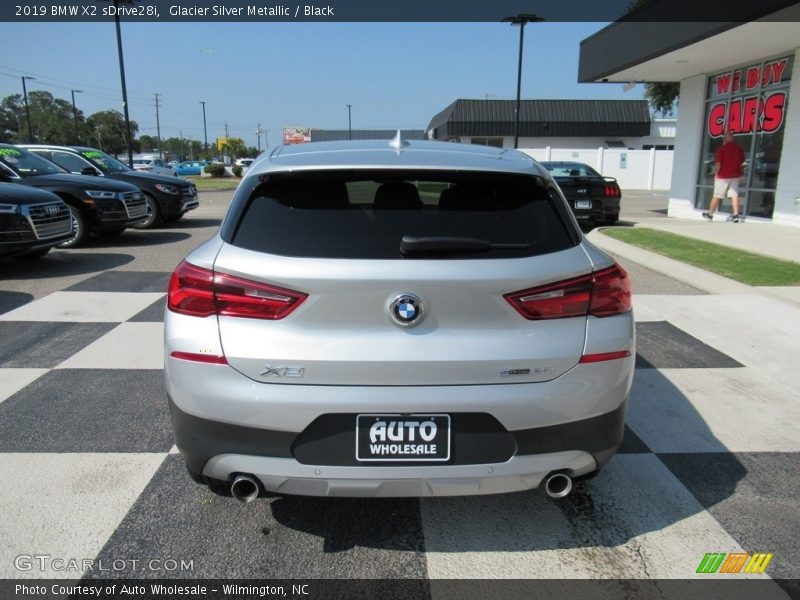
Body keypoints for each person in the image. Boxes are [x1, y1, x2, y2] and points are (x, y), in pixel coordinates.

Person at [703, 130, 746, 223]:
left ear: (726, 138)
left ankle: (710, 215)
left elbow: (718, 163)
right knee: (734, 195)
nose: (724, 139)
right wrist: (741, 173)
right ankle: (736, 216)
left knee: (717, 195)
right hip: (735, 176)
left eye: (725, 137)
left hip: (723, 176)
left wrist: (716, 174)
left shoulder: (721, 149)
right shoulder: (739, 149)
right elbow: (742, 162)